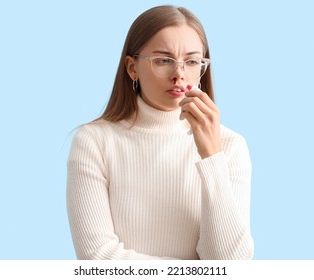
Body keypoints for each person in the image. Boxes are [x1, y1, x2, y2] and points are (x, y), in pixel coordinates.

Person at [66, 5, 254, 260]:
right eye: (163, 60)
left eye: (191, 61)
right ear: (132, 68)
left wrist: (212, 156)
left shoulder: (231, 146)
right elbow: (97, 259)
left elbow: (231, 266)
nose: (179, 73)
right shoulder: (94, 141)